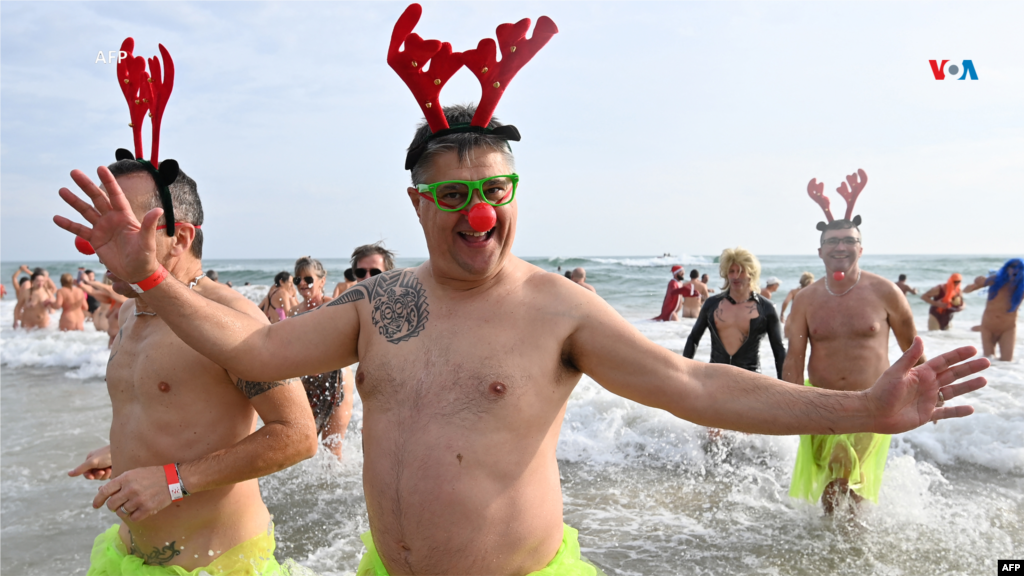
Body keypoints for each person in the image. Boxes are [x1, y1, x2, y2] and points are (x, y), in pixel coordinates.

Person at [56, 21, 989, 572]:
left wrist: (863, 405)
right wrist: (142, 280)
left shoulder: (557, 311)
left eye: (494, 193)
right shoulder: (386, 306)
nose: (477, 217)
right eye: (454, 197)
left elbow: (694, 386)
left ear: (515, 196)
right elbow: (256, 357)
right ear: (420, 204)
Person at [61, 154, 317, 574]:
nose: (100, 243)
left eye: (121, 227)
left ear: (179, 238)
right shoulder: (130, 311)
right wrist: (126, 452)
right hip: (126, 557)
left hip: (218, 563)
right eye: (99, 225)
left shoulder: (232, 321)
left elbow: (299, 435)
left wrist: (175, 479)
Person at [784, 169, 924, 514]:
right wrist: (785, 403)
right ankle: (845, 551)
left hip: (870, 402)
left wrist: (925, 394)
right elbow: (794, 357)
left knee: (842, 482)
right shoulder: (806, 299)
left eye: (848, 240)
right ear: (820, 252)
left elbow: (914, 350)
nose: (841, 246)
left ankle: (844, 552)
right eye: (832, 241)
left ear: (861, 247)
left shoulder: (886, 292)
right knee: (833, 491)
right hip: (820, 402)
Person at [683, 248, 785, 378]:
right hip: (715, 377)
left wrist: (783, 385)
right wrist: (685, 375)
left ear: (751, 274)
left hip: (750, 379)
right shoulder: (712, 305)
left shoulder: (766, 308)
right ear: (726, 273)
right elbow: (693, 339)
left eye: (741, 271)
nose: (735, 276)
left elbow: (779, 350)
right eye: (731, 271)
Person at [290, 256, 354, 458]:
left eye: (308, 279)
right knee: (305, 447)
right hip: (305, 385)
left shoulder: (333, 307)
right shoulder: (293, 313)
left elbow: (348, 343)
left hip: (336, 380)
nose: (302, 284)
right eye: (297, 280)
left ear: (321, 281)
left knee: (332, 450)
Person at [963, 258, 1022, 361]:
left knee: (1007, 363)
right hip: (988, 327)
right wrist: (975, 284)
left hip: (1008, 329)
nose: (1014, 270)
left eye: (1019, 268)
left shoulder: (1022, 287)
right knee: (988, 361)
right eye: (1012, 267)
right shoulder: (995, 280)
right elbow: (966, 290)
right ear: (1007, 268)